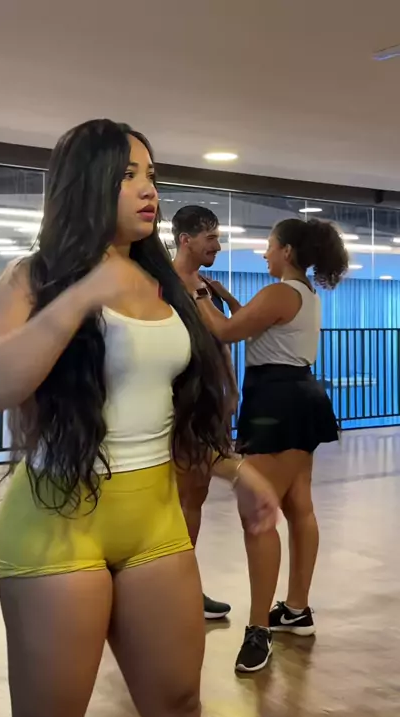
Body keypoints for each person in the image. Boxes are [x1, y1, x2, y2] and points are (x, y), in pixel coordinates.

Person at [0, 119, 278, 717]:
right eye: (128, 174)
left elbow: (168, 410)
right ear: (87, 184)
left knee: (179, 706)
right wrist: (78, 299)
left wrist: (237, 470)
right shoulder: (32, 277)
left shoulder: (163, 282)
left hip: (154, 521)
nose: (148, 190)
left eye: (152, 175)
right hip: (57, 519)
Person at [194, 217, 348, 673]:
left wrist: (198, 296)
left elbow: (226, 332)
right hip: (299, 394)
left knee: (257, 516)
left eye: (269, 246)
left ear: (287, 251)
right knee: (298, 505)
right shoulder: (301, 293)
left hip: (277, 401)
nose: (264, 254)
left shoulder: (281, 292)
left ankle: (258, 628)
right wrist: (227, 300)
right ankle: (296, 609)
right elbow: (260, 325)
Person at [172, 205, 241, 620]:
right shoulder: (162, 283)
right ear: (186, 240)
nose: (217, 245)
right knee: (172, 494)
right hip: (174, 398)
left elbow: (221, 340)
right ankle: (167, 590)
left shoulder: (205, 286)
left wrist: (229, 390)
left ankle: (182, 588)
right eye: (210, 237)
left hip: (206, 401)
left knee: (195, 493)